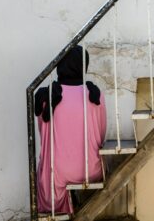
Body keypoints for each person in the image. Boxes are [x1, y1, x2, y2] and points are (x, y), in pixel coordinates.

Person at [34, 45, 107, 215]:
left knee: (47, 162)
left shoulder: (46, 96)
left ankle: (63, 207)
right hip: (91, 169)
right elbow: (101, 133)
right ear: (84, 65)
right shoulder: (95, 94)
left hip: (56, 173)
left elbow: (43, 134)